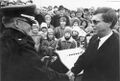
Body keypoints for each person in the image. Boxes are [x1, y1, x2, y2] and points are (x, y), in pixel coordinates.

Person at [0, 3, 69, 81]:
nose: (31, 26)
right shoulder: (21, 45)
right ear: (17, 23)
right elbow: (40, 73)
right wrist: (65, 77)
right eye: (29, 23)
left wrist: (37, 60)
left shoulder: (5, 39)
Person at [67, 7, 119, 81]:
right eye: (91, 22)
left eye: (95, 22)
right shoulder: (94, 38)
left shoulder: (117, 46)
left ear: (109, 23)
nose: (91, 25)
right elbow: (85, 56)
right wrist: (73, 71)